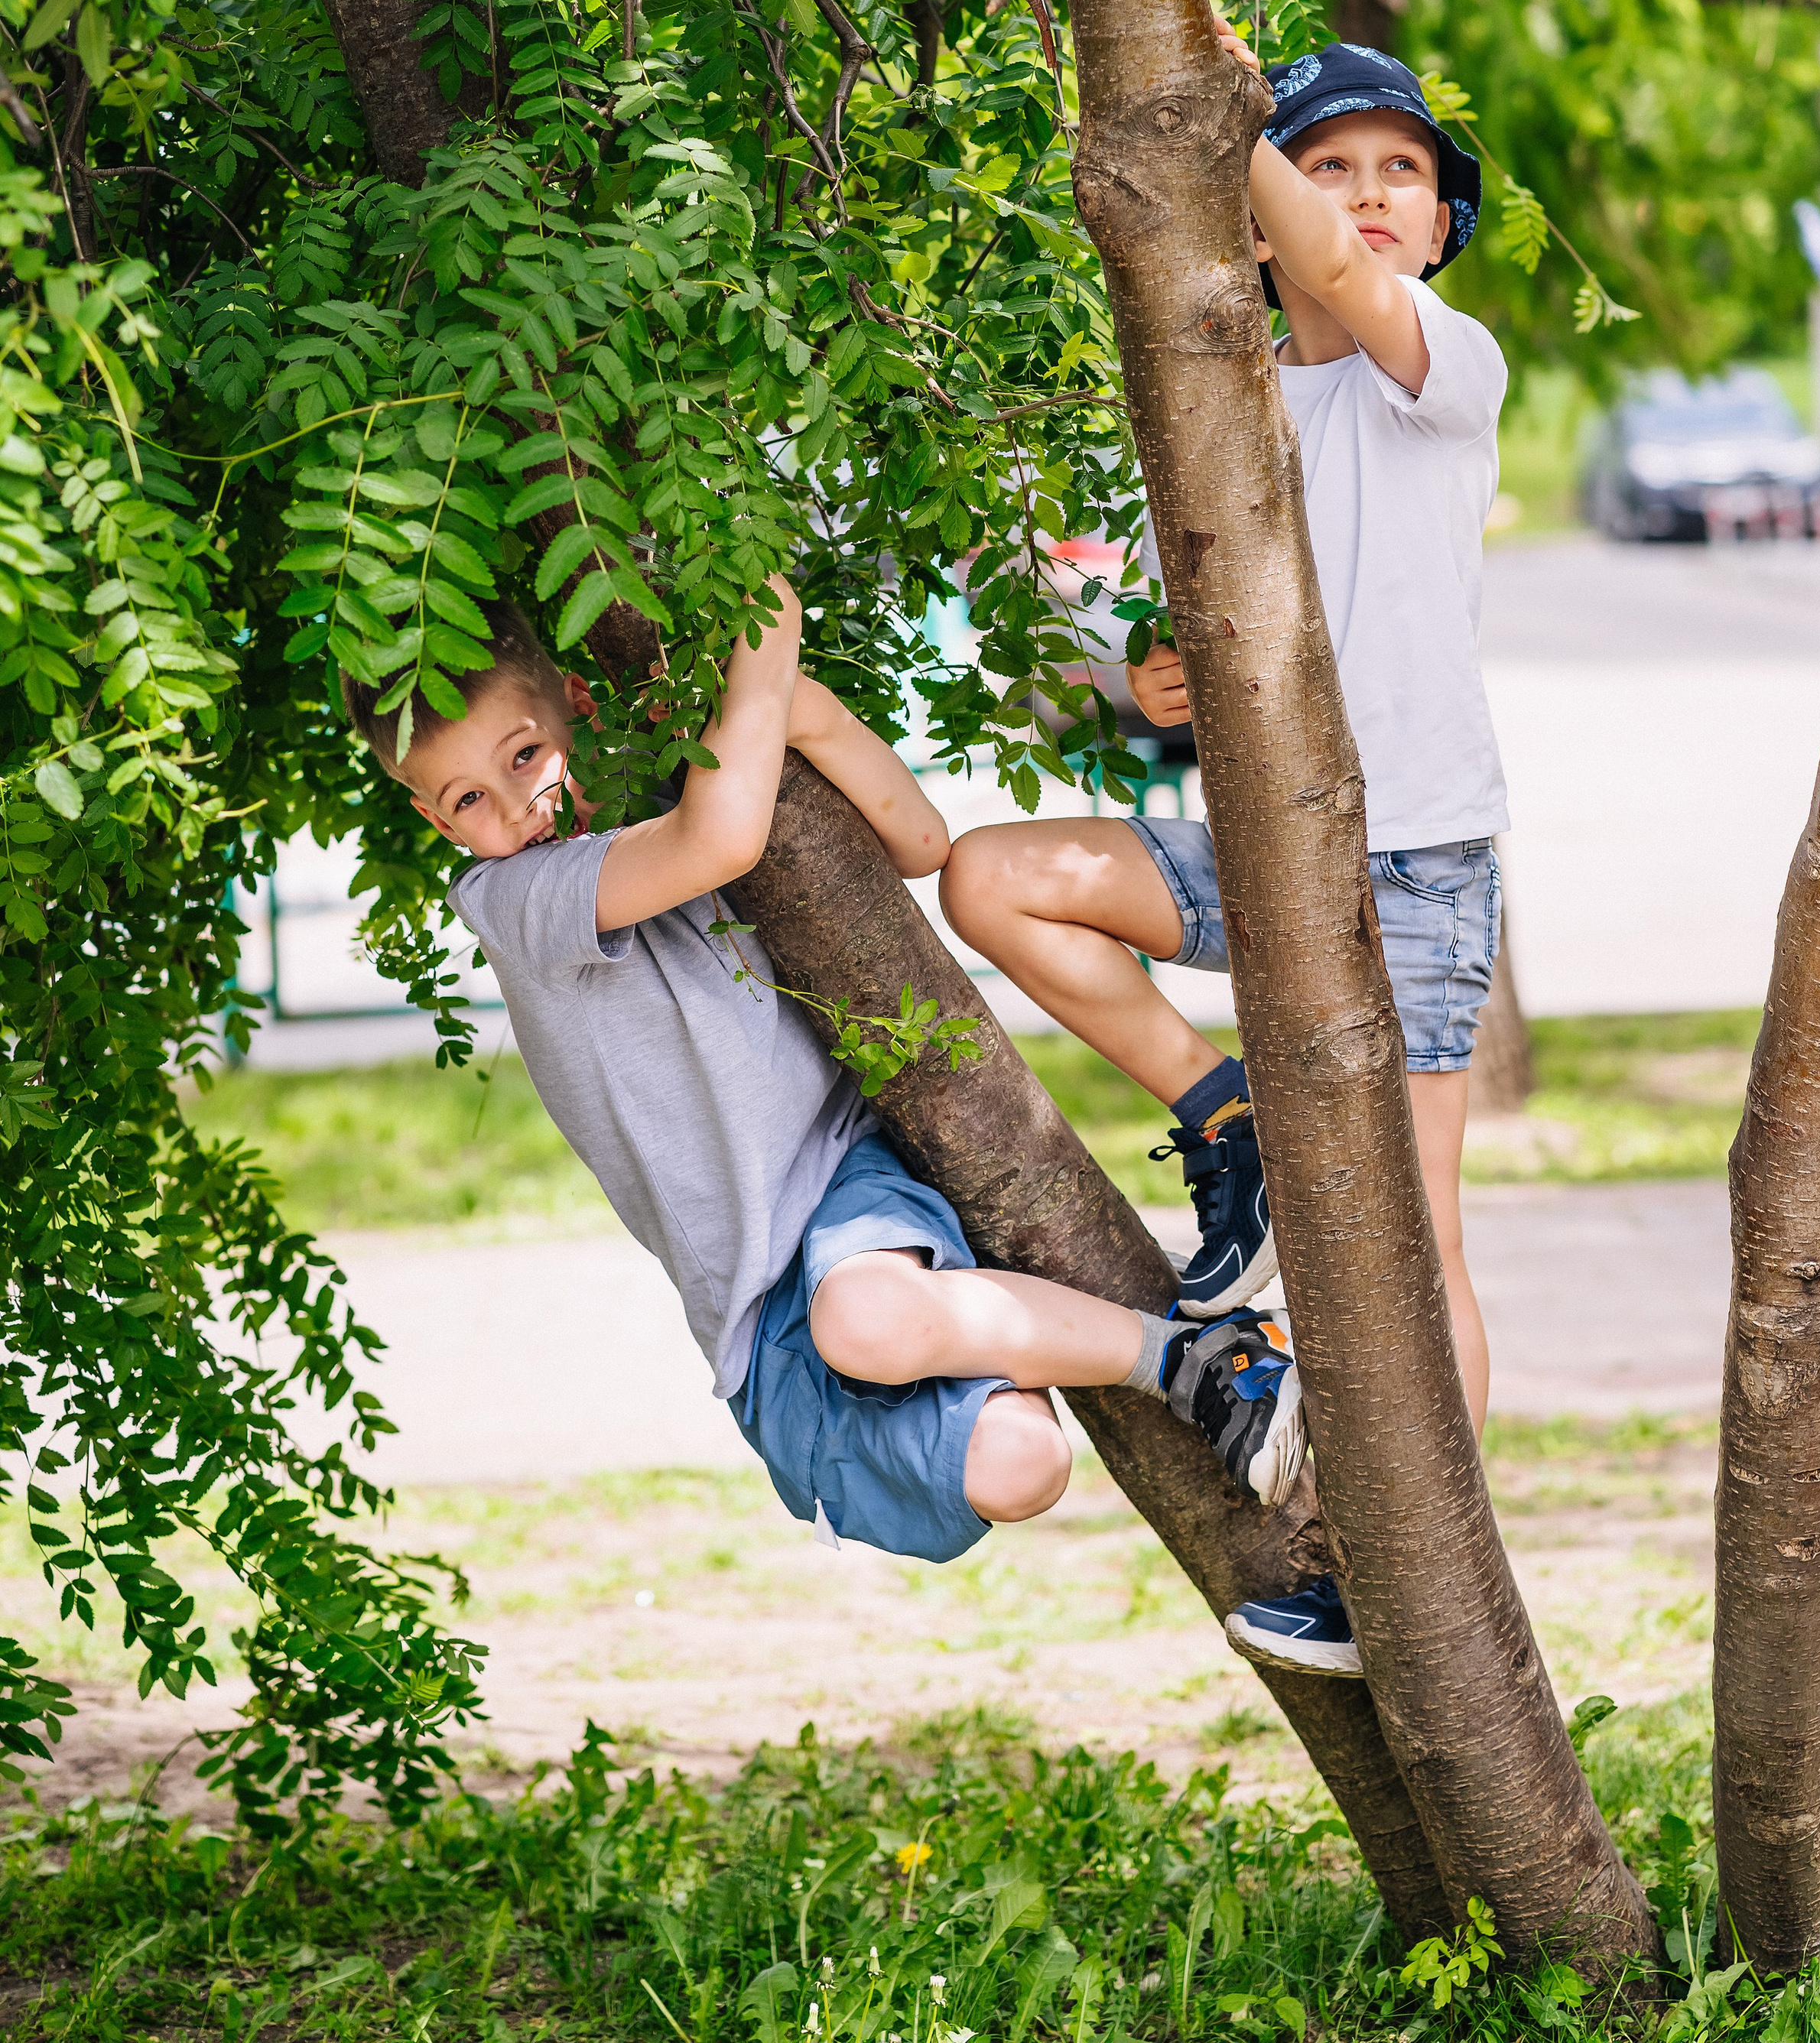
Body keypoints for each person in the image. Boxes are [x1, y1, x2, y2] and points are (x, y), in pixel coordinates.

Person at [340, 588, 1311, 1575]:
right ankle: (1005, 1333)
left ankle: (1198, 1364)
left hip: (847, 1191)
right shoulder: (513, 896)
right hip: (762, 1337)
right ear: (432, 818)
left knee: (863, 1318)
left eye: (522, 756)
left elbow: (922, 845)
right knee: (1025, 1466)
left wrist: (794, 700)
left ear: (580, 706)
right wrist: (765, 647)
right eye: (467, 800)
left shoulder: (699, 786)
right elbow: (717, 842)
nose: (515, 809)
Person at [939, 34, 1507, 1675]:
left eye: (1400, 169)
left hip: (1407, 860)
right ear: (1252, 230)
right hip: (1256, 844)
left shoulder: (1442, 370)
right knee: (994, 881)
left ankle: (1413, 1581)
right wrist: (1149, 682)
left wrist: (1228, 108)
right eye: (1329, 168)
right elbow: (1177, 623)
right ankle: (1226, 1123)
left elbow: (1330, 266)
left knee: (1412, 1248)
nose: (1367, 198)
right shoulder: (1222, 394)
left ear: (1439, 228)